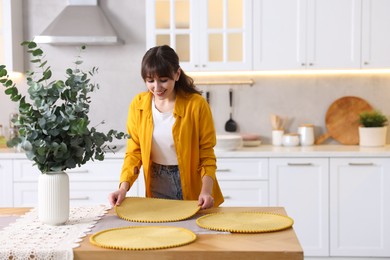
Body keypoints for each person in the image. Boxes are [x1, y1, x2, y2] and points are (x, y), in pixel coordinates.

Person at [108, 45, 224, 209]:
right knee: (162, 232)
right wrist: (123, 188)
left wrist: (206, 191)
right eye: (150, 81)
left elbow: (206, 154)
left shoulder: (197, 105)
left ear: (177, 74)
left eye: (163, 80)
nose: (157, 87)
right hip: (157, 181)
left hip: (194, 185)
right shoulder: (138, 105)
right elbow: (134, 152)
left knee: (197, 232)